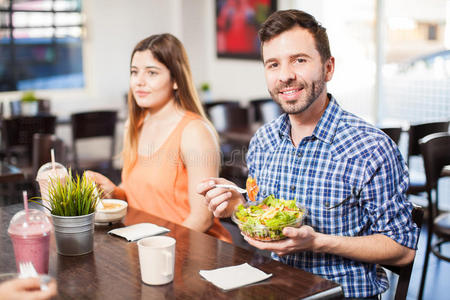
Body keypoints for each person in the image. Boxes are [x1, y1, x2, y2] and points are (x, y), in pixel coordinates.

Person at [197, 9, 420, 298]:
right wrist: (237, 206)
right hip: (272, 288)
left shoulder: (370, 148)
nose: (286, 76)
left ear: (328, 68)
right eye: (273, 64)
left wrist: (317, 242)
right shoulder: (263, 142)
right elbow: (262, 214)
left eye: (299, 60)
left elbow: (403, 250)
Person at [88, 33, 231, 242]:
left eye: (152, 73)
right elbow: (139, 195)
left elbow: (202, 220)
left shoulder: (195, 132)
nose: (139, 82)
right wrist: (114, 192)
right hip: (144, 243)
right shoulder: (134, 125)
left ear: (175, 80)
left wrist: (154, 248)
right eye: (134, 72)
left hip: (191, 249)